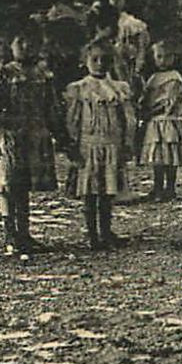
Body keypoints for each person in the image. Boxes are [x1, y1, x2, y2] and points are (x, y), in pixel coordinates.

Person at [0, 24, 65, 260]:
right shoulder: (5, 74)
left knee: (24, 188)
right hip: (11, 136)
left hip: (35, 136)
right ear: (10, 46)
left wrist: (61, 136)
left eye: (31, 42)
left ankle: (25, 233)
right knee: (10, 187)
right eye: (20, 42)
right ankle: (10, 235)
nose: (26, 47)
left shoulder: (43, 75)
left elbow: (52, 108)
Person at [64, 38, 139, 249]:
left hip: (111, 144)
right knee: (90, 192)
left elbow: (128, 118)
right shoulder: (79, 89)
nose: (99, 63)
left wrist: (127, 143)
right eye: (94, 59)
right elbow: (73, 119)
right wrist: (72, 145)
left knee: (107, 191)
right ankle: (92, 234)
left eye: (105, 59)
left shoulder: (118, 88)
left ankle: (106, 231)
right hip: (88, 145)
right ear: (85, 60)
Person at [139, 40, 182, 202]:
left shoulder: (174, 78)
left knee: (170, 156)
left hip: (167, 120)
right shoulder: (153, 78)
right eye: (159, 57)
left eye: (167, 57)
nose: (162, 61)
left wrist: (150, 111)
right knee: (158, 158)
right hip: (155, 122)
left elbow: (169, 102)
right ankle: (157, 187)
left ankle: (169, 188)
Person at [41, 0, 91, 98]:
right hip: (61, 55)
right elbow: (50, 34)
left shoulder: (87, 10)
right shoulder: (58, 9)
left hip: (81, 54)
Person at [110, 0, 150, 94]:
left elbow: (141, 46)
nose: (114, 3)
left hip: (128, 61)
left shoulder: (131, 23)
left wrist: (139, 62)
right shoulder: (106, 21)